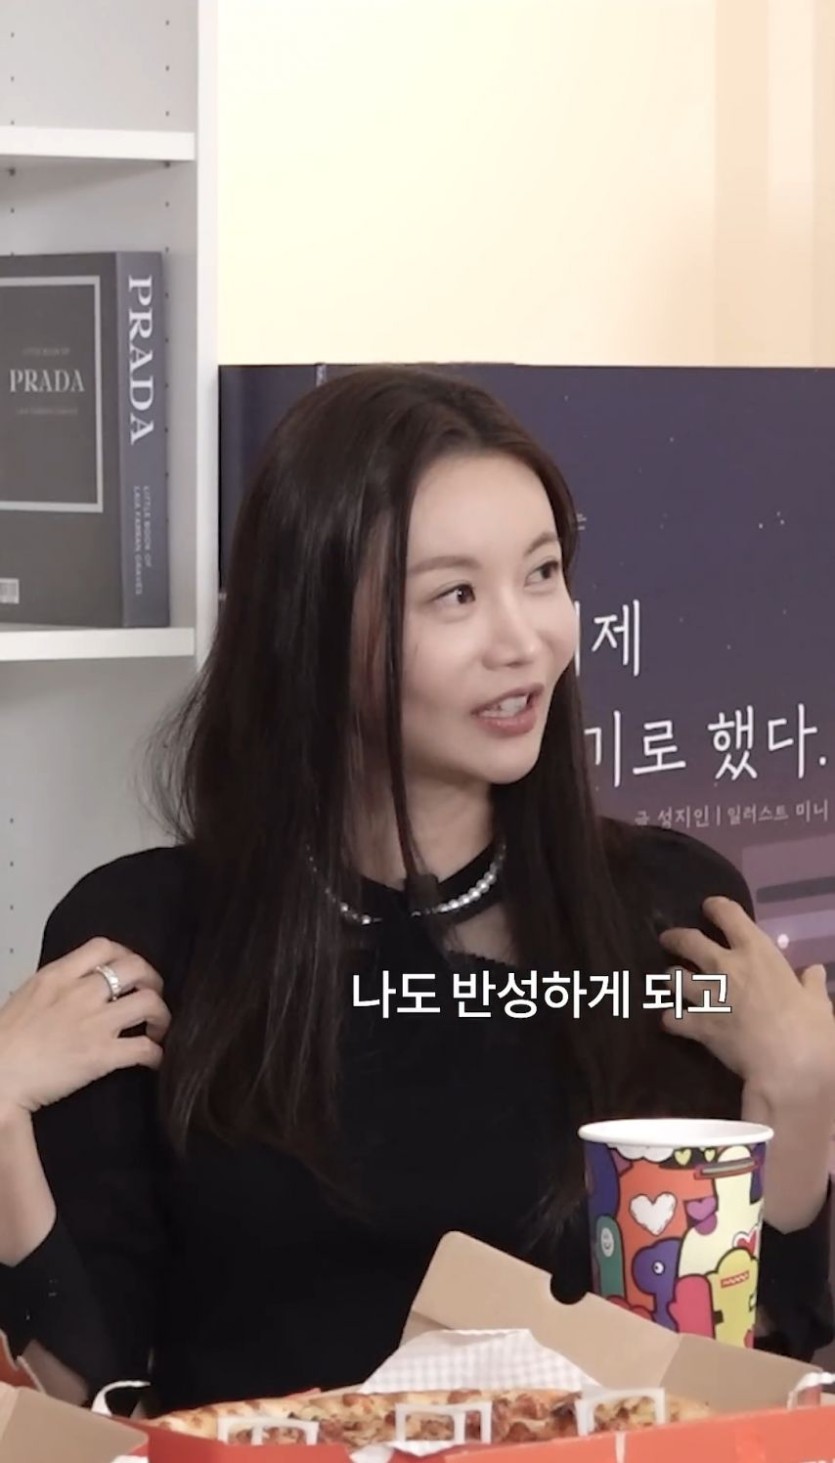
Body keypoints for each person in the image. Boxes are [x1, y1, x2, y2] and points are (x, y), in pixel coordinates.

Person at [0, 366, 833, 1415]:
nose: (523, 639)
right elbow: (81, 1401)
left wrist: (802, 1095)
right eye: (455, 595)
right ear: (311, 627)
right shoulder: (144, 940)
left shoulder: (671, 922)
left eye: (542, 573)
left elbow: (750, 1368)